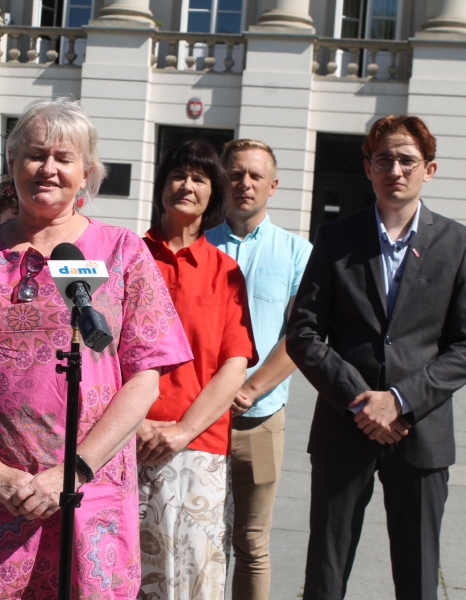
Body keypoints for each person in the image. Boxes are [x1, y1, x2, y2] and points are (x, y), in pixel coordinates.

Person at [0, 96, 193, 599]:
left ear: (87, 173)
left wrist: (72, 472)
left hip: (89, 493)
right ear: (12, 162)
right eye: (35, 155)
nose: (48, 169)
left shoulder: (123, 252)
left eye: (64, 158)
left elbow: (146, 377)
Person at [286, 115, 466, 600]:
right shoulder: (336, 237)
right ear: (368, 168)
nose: (395, 170)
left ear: (429, 169)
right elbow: (304, 334)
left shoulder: (458, 243)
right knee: (325, 571)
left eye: (407, 160)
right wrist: (363, 400)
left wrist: (398, 400)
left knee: (418, 575)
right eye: (384, 160)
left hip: (420, 431)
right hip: (344, 425)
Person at [138, 139, 258, 600]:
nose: (186, 185)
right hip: (125, 439)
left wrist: (182, 430)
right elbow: (98, 355)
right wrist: (135, 423)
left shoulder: (225, 271)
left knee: (194, 575)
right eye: (177, 175)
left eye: (200, 178)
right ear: (161, 185)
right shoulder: (127, 256)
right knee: (125, 573)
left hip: (198, 446)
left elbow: (234, 364)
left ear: (214, 194)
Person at [205, 139, 312, 600]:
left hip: (260, 418)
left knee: (252, 542)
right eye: (235, 174)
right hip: (198, 416)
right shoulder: (198, 244)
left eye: (255, 175)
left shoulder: (297, 252)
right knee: (199, 536)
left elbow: (302, 336)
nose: (244, 183)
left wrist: (248, 390)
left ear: (273, 185)